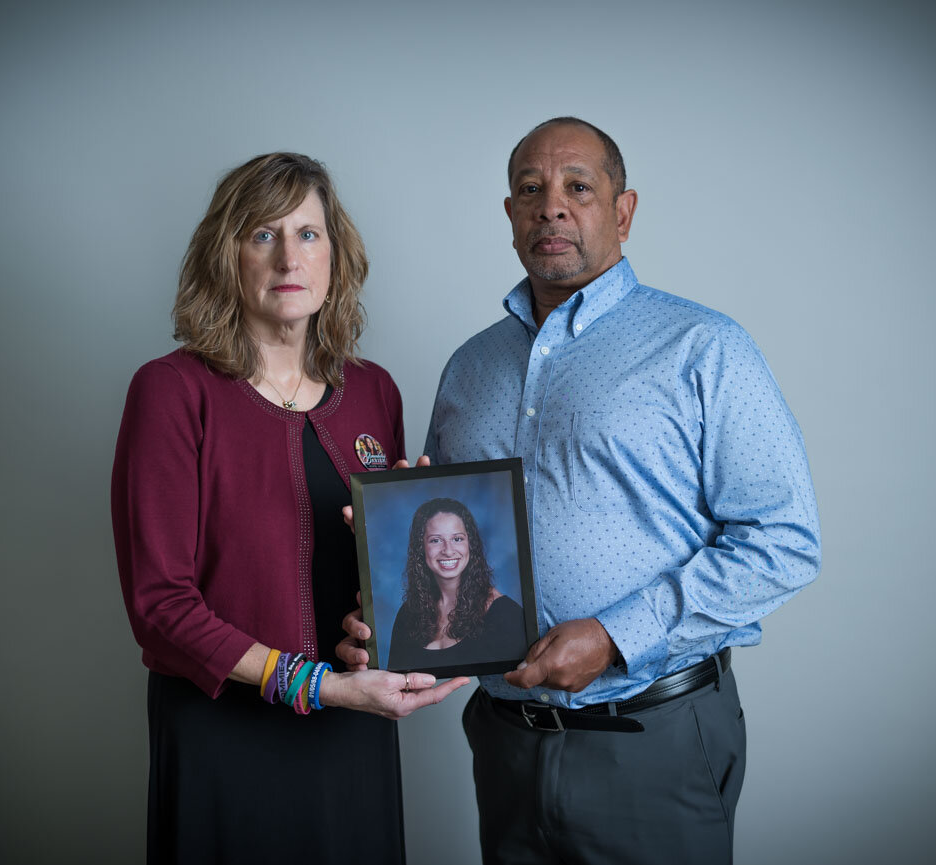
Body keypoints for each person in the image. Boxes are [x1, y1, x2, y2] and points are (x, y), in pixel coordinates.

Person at [340, 118, 821, 864]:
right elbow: (447, 531)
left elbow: (784, 540)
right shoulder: (470, 367)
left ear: (623, 212)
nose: (551, 207)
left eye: (578, 188)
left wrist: (616, 634)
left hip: (652, 742)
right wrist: (388, 594)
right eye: (530, 189)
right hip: (504, 744)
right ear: (509, 215)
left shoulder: (703, 346)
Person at [110, 152, 467, 863]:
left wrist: (404, 562)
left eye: (308, 234)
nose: (287, 257)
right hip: (225, 731)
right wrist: (315, 684)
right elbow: (160, 604)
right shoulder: (171, 391)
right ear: (227, 255)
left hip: (354, 725)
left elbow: (376, 583)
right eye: (262, 235)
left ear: (336, 255)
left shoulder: (375, 391)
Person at [386, 497, 527, 672]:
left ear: (471, 544)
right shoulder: (408, 614)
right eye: (435, 540)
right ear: (421, 548)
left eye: (457, 539)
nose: (448, 550)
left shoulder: (505, 614)